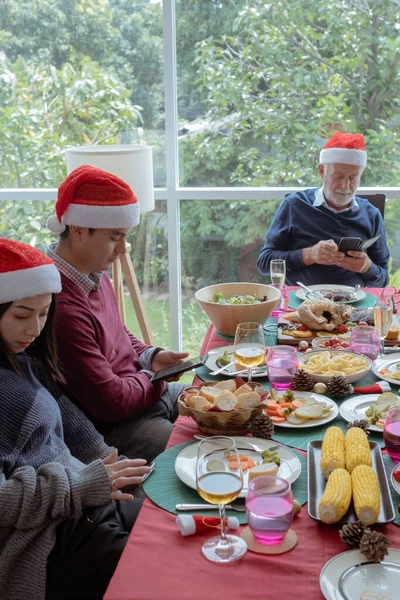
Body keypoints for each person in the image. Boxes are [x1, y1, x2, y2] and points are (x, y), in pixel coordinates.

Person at [0, 238, 151, 600]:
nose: (35, 328)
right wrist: (85, 484)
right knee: (143, 570)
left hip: (81, 495)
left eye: (43, 313)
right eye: (22, 315)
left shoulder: (25, 361)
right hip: (43, 534)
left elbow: (72, 425)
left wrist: (109, 462)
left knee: (162, 519)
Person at [46, 165, 188, 463]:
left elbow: (120, 334)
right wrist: (154, 377)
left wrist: (151, 355)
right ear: (78, 228)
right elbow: (112, 402)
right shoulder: (62, 308)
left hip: (143, 394)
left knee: (223, 407)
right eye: (115, 237)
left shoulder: (96, 276)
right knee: (192, 454)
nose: (123, 249)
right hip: (118, 425)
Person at [257, 132, 390, 287]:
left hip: (354, 306)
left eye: (353, 178)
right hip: (301, 304)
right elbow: (264, 263)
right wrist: (310, 255)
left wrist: (367, 268)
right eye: (338, 176)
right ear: (322, 171)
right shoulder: (294, 205)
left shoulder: (371, 215)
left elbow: (383, 279)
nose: (345, 186)